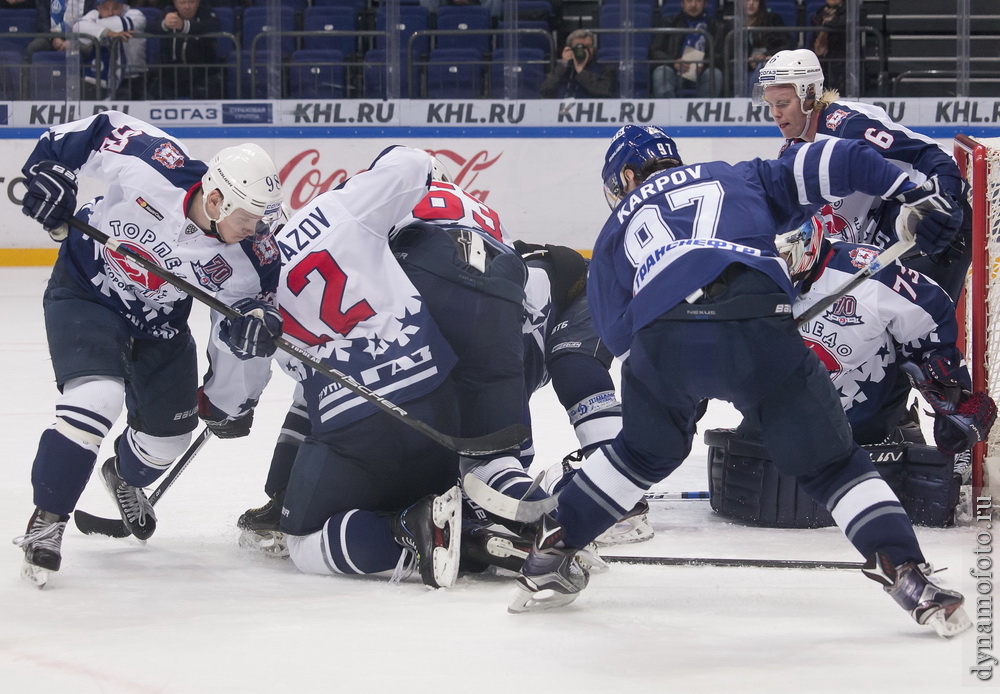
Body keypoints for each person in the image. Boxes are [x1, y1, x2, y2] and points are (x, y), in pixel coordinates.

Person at [496, 124, 972, 639]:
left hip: (662, 340)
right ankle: (907, 574)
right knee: (833, 464)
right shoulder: (735, 175)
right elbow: (840, 158)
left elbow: (618, 336)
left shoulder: (613, 233)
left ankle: (550, 553)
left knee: (640, 455)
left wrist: (675, 389)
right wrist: (914, 191)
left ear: (628, 177)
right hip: (757, 320)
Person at [236, 170, 625, 572]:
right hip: (501, 304)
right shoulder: (475, 211)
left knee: (333, 400)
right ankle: (561, 530)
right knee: (492, 462)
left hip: (421, 323)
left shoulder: (329, 236)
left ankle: (398, 524)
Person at [228, 146, 534, 590]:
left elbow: (287, 379)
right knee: (482, 440)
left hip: (358, 420)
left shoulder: (246, 283)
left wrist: (228, 409)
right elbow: (411, 165)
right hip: (447, 386)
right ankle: (491, 519)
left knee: (306, 538)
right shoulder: (339, 210)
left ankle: (401, 529)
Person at [11, 110, 285, 587]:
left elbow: (243, 328)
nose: (257, 229)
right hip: (87, 288)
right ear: (216, 198)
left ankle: (124, 475)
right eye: (248, 218)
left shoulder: (252, 259)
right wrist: (46, 169)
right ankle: (47, 521)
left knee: (168, 442)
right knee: (97, 396)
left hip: (159, 327)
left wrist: (232, 397)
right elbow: (91, 133)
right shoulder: (153, 162)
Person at [754, 49, 971, 303]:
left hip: (931, 230)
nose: (775, 114)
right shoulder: (792, 151)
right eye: (770, 105)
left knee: (919, 332)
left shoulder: (848, 126)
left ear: (809, 95)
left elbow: (930, 153)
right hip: (886, 244)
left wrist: (944, 205)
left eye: (782, 104)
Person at [777, 210, 995, 450]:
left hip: (862, 421)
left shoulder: (867, 272)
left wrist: (950, 387)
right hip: (783, 417)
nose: (767, 272)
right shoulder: (746, 279)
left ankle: (900, 430)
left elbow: (929, 317)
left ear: (806, 246)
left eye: (782, 258)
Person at [73, 0, 147, 100]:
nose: (111, 13)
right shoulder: (94, 14)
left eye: (115, 8)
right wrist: (107, 32)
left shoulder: (136, 15)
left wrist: (93, 27)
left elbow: (122, 24)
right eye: (105, 9)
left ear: (122, 5)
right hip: (102, 76)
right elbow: (77, 27)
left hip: (132, 76)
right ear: (98, 8)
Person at [649, 0, 724, 99]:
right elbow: (655, 51)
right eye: (689, 1)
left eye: (698, 1)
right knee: (661, 73)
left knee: (715, 74)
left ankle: (704, 113)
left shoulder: (715, 27)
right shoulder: (669, 22)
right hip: (673, 70)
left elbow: (720, 55)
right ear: (682, 4)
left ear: (705, 4)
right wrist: (674, 62)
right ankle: (668, 113)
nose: (693, 5)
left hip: (702, 72)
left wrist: (705, 63)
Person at [149, 0, 223, 100]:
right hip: (171, 74)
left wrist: (184, 26)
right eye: (182, 3)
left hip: (203, 74)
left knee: (206, 91)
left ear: (197, 2)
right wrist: (165, 24)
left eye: (191, 2)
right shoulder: (168, 12)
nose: (187, 6)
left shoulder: (207, 13)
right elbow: (150, 27)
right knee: (158, 92)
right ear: (175, 3)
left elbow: (214, 26)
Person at [727, 0, 791, 97]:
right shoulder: (733, 24)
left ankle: (751, 108)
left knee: (761, 69)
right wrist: (747, 60)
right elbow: (730, 52)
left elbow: (786, 44)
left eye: (755, 0)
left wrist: (767, 55)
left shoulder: (772, 19)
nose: (751, 3)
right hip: (744, 66)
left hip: (768, 63)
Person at [539, 29, 617, 99]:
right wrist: (563, 64)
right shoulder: (562, 70)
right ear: (570, 49)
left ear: (593, 49)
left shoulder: (606, 69)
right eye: (580, 47)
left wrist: (581, 71)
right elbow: (545, 90)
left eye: (588, 47)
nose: (584, 51)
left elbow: (605, 92)